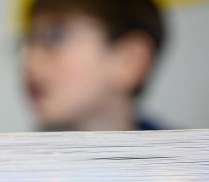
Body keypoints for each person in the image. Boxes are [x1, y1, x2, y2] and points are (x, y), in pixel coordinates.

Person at [22, 0, 167, 131]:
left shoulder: (182, 157)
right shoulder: (19, 158)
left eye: (55, 36)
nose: (30, 62)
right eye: (28, 41)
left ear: (130, 60)